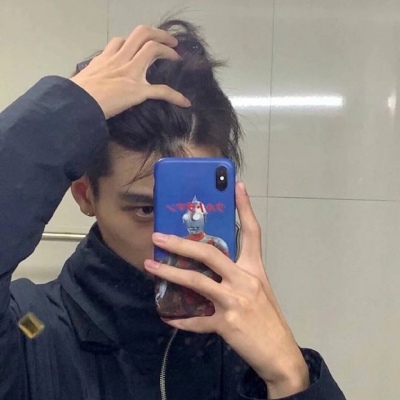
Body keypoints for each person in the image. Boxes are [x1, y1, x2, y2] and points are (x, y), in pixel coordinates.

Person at [0, 19, 346, 400]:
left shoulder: (250, 357)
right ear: (85, 194)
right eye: (147, 210)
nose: (178, 238)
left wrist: (291, 378)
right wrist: (68, 109)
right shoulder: (28, 331)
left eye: (198, 206)